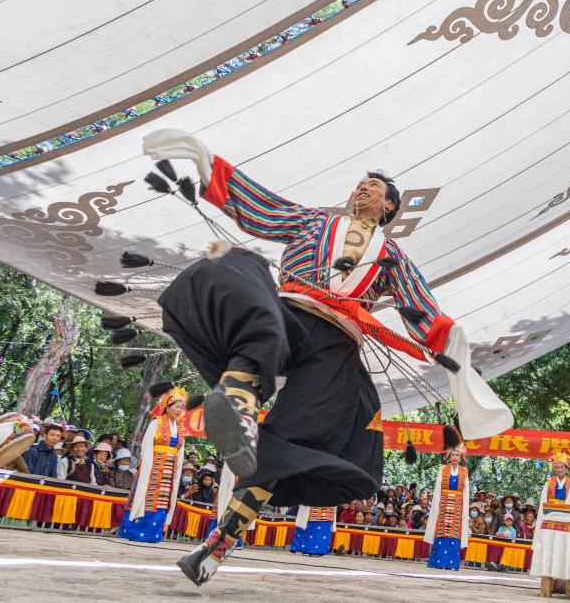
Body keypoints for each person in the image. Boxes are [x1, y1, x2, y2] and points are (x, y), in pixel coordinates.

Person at [143, 128, 512, 586]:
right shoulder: (313, 220)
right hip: (290, 311)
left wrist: (451, 338)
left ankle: (219, 544)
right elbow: (263, 209)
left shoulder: (392, 255)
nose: (362, 188)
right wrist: (206, 162)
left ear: (389, 207)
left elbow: (420, 308)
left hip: (337, 343)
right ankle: (240, 397)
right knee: (239, 275)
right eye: (360, 184)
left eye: (373, 187)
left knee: (288, 445)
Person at [119, 388, 187, 542]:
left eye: (181, 408)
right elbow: (147, 446)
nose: (179, 410)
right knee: (147, 495)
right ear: (167, 406)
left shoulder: (181, 429)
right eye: (177, 406)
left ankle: (154, 533)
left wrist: (177, 469)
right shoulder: (156, 422)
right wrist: (148, 467)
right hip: (154, 466)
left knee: (163, 499)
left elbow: (180, 451)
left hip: (169, 470)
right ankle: (136, 532)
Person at [424, 444, 470, 570]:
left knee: (454, 533)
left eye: (457, 455)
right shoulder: (443, 469)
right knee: (441, 531)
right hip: (443, 504)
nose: (455, 457)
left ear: (460, 458)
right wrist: (436, 507)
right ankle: (437, 562)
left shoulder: (464, 472)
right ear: (449, 457)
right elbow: (438, 488)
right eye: (453, 455)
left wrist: (464, 511)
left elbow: (466, 492)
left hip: (457, 505)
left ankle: (452, 563)